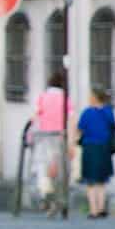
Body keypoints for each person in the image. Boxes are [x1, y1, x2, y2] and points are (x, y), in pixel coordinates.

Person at [77, 87, 115, 218]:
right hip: (104, 148)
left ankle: (93, 210)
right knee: (102, 180)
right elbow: (113, 127)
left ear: (95, 97)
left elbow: (80, 129)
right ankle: (101, 208)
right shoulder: (108, 111)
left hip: (90, 147)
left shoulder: (87, 112)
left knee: (91, 181)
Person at [32, 70, 67, 215]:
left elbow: (35, 117)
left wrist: (31, 136)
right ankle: (56, 198)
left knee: (42, 167)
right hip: (60, 137)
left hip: (43, 136)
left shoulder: (43, 97)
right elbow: (70, 119)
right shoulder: (65, 99)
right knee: (59, 169)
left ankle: (46, 193)